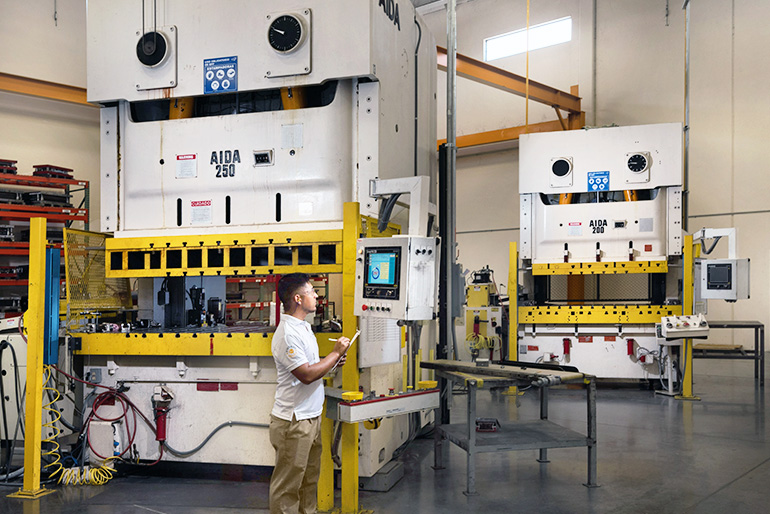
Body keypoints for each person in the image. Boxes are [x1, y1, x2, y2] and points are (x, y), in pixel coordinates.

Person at [269, 273, 351, 514]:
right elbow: (305, 374)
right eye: (311, 292)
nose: (316, 295)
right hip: (293, 422)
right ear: (297, 298)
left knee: (309, 481)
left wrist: (333, 362)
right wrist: (334, 354)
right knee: (287, 486)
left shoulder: (303, 327)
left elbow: (313, 368)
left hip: (311, 417)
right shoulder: (287, 334)